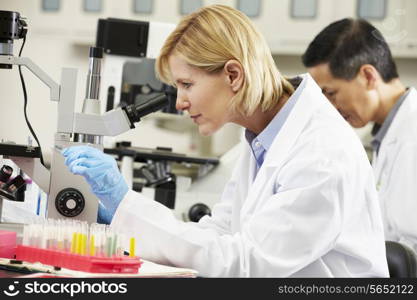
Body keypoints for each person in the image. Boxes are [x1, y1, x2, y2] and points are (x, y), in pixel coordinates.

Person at [62, 5, 388, 277]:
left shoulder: (321, 152)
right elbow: (220, 233)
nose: (179, 102)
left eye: (187, 84)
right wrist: (126, 217)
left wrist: (125, 203)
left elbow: (244, 263)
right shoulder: (263, 136)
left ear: (233, 75)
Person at [302, 18, 417, 253]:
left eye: (331, 93)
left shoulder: (412, 136)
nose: (328, 106)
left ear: (368, 76)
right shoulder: (386, 134)